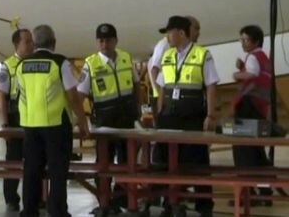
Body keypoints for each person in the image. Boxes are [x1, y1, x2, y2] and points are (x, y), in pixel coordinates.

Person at [16, 24, 90, 217]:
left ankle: (29, 211)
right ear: (54, 43)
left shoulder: (21, 64)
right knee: (58, 173)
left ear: (34, 43)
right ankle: (57, 211)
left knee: (31, 172)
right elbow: (73, 96)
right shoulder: (59, 63)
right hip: (56, 126)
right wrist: (82, 120)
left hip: (30, 126)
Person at [155, 15, 219, 217]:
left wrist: (210, 114)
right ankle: (172, 201)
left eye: (169, 32)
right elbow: (163, 89)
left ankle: (204, 205)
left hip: (193, 115)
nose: (167, 36)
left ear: (181, 33)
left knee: (197, 160)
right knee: (168, 160)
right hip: (170, 115)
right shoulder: (167, 55)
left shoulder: (202, 54)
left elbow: (210, 86)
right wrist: (159, 112)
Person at [77, 23, 140, 213]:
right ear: (97, 42)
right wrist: (80, 120)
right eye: (101, 40)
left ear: (115, 40)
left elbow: (136, 84)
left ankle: (121, 198)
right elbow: (80, 94)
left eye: (108, 40)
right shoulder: (91, 64)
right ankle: (104, 202)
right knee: (104, 163)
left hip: (126, 120)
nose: (104, 44)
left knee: (127, 162)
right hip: (104, 123)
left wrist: (138, 106)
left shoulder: (126, 58)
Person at [232, 24, 273, 205]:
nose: (242, 42)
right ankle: (265, 192)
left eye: (246, 39)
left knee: (243, 150)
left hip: (248, 107)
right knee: (257, 151)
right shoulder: (264, 57)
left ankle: (247, 194)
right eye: (241, 39)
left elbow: (252, 74)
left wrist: (237, 74)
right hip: (260, 107)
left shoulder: (253, 57)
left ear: (255, 41)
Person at [0, 28, 34, 212]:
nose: (31, 45)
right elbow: (2, 96)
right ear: (16, 44)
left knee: (34, 160)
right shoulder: (8, 65)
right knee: (13, 160)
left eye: (32, 41)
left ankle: (35, 198)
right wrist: (4, 123)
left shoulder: (36, 63)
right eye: (27, 42)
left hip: (34, 118)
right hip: (15, 117)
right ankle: (11, 198)